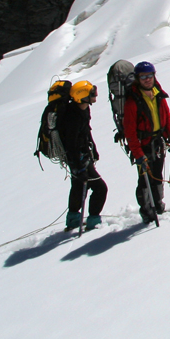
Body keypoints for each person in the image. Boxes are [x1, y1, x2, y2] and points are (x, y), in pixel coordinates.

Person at [122, 61, 170, 223]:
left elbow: (167, 118)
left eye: (150, 76)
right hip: (143, 144)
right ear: (137, 79)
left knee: (157, 175)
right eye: (143, 77)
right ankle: (147, 210)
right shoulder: (132, 101)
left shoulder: (158, 93)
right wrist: (138, 154)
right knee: (145, 178)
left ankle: (158, 204)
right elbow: (130, 132)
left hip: (157, 142)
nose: (147, 79)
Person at [58, 80, 108, 231]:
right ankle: (93, 221)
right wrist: (79, 168)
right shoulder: (73, 116)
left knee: (79, 187)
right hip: (79, 159)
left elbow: (86, 131)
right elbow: (71, 144)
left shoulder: (82, 109)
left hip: (80, 157)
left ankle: (73, 219)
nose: (95, 96)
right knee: (100, 189)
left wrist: (93, 149)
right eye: (92, 94)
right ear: (82, 96)